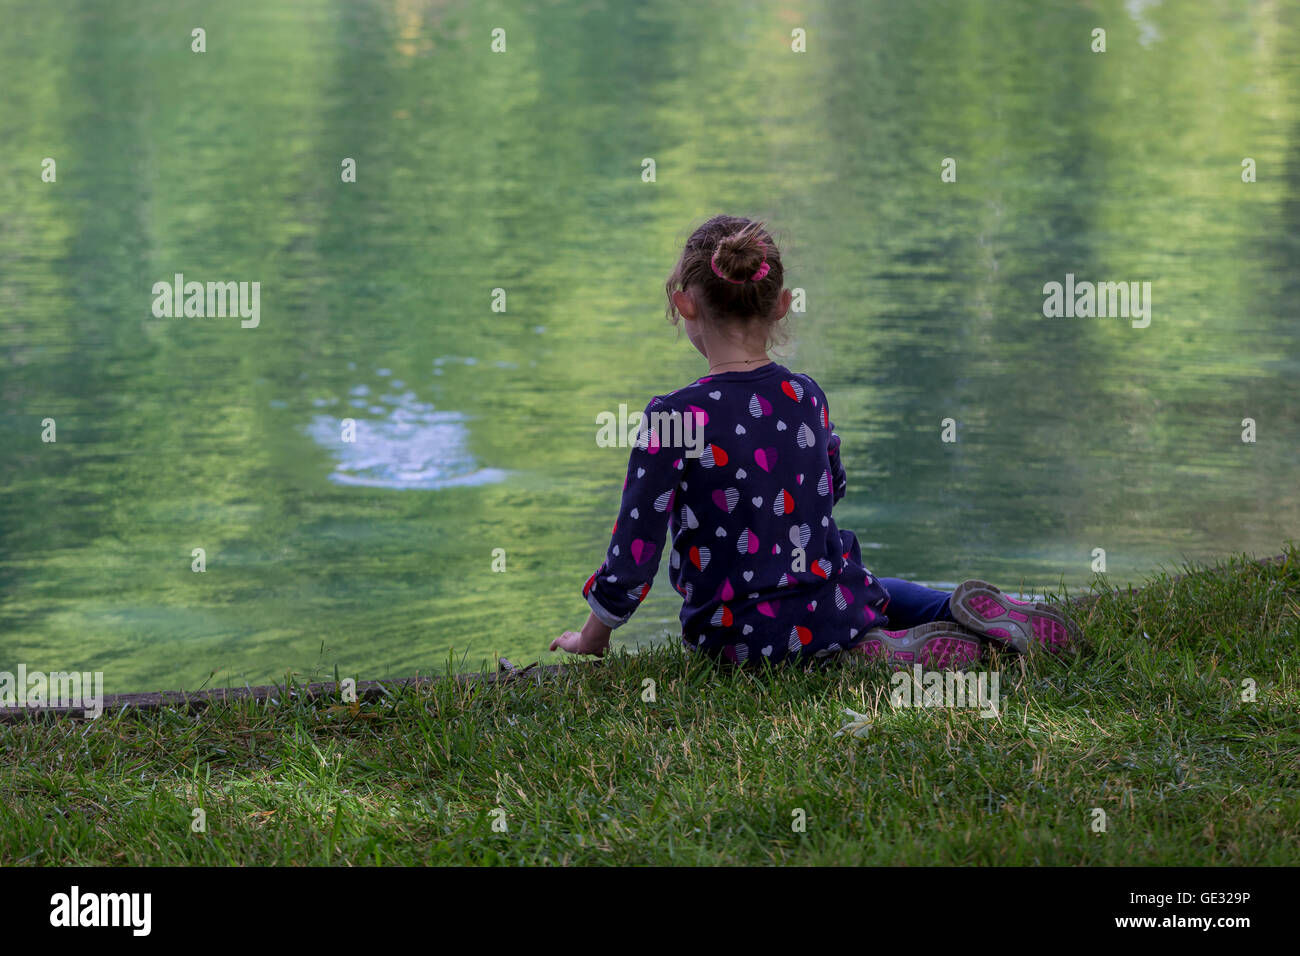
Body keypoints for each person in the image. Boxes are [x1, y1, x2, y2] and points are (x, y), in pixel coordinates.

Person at [551, 215, 1079, 667]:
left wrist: (592, 637)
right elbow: (830, 487)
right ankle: (961, 614)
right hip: (831, 601)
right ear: (780, 304)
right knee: (875, 587)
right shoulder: (804, 394)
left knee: (826, 613)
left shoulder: (673, 416)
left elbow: (635, 548)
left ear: (684, 304)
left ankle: (877, 655)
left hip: (737, 638)